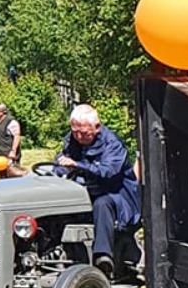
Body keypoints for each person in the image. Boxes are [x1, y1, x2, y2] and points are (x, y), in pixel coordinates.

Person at [55, 103, 142, 277]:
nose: (79, 137)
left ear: (97, 127)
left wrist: (77, 165)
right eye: (75, 132)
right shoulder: (71, 140)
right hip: (84, 191)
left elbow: (108, 172)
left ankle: (103, 257)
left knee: (102, 203)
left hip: (118, 195)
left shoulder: (112, 144)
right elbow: (62, 160)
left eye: (84, 133)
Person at [0, 103, 24, 176]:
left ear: (1, 111)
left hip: (9, 156)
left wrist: (13, 151)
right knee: (2, 177)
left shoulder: (11, 122)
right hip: (0, 156)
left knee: (12, 177)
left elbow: (17, 136)